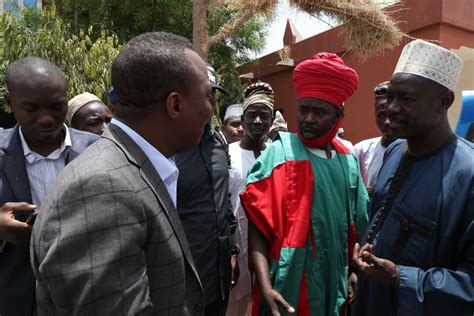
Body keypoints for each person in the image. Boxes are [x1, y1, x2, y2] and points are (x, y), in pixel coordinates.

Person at [31, 32, 213, 314]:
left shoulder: (134, 167)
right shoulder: (101, 187)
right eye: (208, 95)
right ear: (175, 104)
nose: (211, 108)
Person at [240, 53, 368, 315]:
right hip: (287, 288)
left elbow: (356, 226)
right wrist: (264, 286)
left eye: (319, 112)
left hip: (334, 284)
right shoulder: (279, 155)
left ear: (338, 115)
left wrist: (353, 270)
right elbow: (258, 230)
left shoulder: (348, 161)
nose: (308, 118)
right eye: (303, 109)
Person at [353, 39, 474, 316]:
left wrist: (400, 277)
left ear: (445, 101)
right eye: (391, 96)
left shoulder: (468, 174)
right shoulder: (395, 150)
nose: (391, 108)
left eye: (405, 99)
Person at [0, 56, 98, 316]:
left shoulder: (100, 150)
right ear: (10, 103)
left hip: (87, 299)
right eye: (31, 109)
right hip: (15, 301)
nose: (46, 119)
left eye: (57, 106)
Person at [174, 64, 238, 316]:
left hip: (219, 275)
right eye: (202, 95)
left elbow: (224, 202)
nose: (209, 103)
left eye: (212, 95)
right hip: (182, 281)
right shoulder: (166, 146)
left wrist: (232, 250)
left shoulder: (218, 143)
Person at [227, 82, 274, 316]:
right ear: (243, 119)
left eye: (263, 116)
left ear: (272, 119)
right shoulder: (227, 154)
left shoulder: (277, 153)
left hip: (270, 245)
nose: (257, 121)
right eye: (252, 115)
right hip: (237, 245)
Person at [353, 81, 396, 190]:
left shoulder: (415, 152)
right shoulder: (361, 151)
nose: (387, 122)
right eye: (381, 115)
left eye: (392, 115)